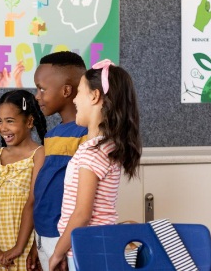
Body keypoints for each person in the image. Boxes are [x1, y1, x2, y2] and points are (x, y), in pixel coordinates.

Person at [49, 59, 142, 270]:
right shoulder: (106, 148)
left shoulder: (93, 153)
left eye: (79, 92)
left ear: (95, 96)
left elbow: (82, 214)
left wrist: (57, 252)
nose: (74, 100)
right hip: (96, 247)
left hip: (86, 250)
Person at [29, 51, 88, 271]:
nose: (36, 95)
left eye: (42, 89)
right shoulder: (52, 136)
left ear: (66, 90)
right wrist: (38, 244)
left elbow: (82, 201)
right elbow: (46, 194)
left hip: (66, 241)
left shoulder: (87, 135)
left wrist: (62, 248)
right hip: (45, 236)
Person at [0, 90, 46, 271]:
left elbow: (33, 201)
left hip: (25, 242)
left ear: (29, 122)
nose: (3, 128)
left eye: (10, 121)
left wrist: (19, 247)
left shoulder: (39, 154)